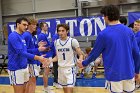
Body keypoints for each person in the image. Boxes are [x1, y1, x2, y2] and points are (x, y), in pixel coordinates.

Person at [77, 5, 140, 93]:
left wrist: (84, 63)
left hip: (114, 75)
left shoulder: (103, 34)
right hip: (129, 73)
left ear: (106, 17)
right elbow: (137, 53)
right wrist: (137, 71)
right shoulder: (129, 31)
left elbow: (94, 54)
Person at [8, 17, 48, 93]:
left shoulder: (22, 36)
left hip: (24, 66)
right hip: (16, 68)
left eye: (27, 25)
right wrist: (37, 57)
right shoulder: (13, 36)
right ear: (18, 24)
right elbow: (21, 52)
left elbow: (26, 50)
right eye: (24, 25)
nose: (26, 27)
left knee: (26, 90)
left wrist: (37, 48)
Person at [46, 24, 84, 93]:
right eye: (59, 31)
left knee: (69, 90)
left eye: (63, 31)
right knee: (65, 90)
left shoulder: (73, 41)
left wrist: (80, 59)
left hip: (70, 69)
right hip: (60, 69)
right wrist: (50, 60)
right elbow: (58, 57)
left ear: (67, 31)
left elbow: (81, 54)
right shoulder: (56, 42)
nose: (60, 33)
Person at [22, 18, 46, 93]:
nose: (35, 26)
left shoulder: (32, 36)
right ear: (28, 25)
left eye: (36, 24)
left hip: (34, 61)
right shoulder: (26, 35)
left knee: (32, 82)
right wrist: (38, 49)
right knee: (31, 82)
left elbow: (32, 47)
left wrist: (37, 45)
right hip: (30, 61)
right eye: (33, 24)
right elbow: (25, 51)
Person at [38, 22, 54, 93]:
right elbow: (43, 47)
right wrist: (51, 46)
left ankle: (46, 86)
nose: (47, 27)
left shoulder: (45, 35)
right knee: (46, 72)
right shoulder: (42, 35)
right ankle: (45, 87)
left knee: (47, 72)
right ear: (42, 27)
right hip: (46, 56)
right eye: (45, 26)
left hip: (48, 55)